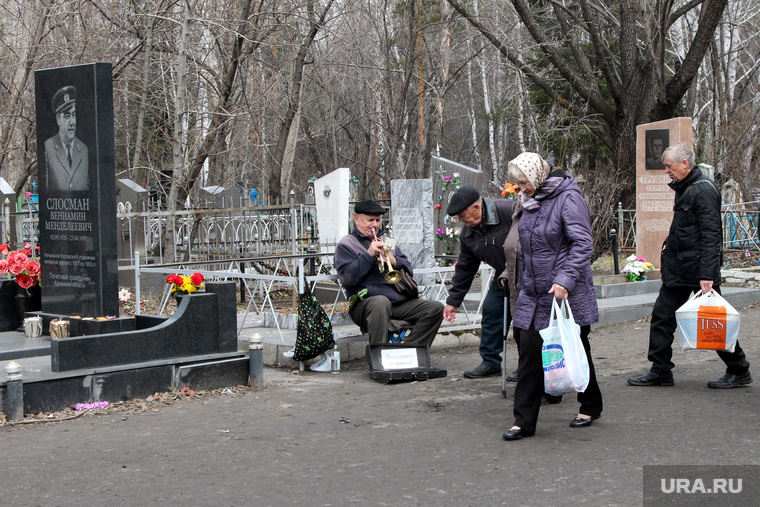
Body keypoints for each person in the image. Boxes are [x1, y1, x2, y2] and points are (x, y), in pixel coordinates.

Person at [628, 142, 751, 388]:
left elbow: (711, 235)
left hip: (697, 272)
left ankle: (739, 369)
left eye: (669, 166)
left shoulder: (702, 190)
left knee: (713, 321)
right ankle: (661, 370)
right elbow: (687, 229)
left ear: (685, 164)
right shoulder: (685, 188)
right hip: (681, 268)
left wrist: (707, 273)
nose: (666, 171)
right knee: (662, 317)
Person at [502, 152, 603, 441]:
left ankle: (590, 404)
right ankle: (523, 422)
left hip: (563, 291)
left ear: (536, 176)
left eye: (523, 183)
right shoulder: (531, 201)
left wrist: (565, 280)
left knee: (575, 348)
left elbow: (582, 244)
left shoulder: (568, 197)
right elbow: (523, 244)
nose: (519, 189)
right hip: (533, 291)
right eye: (516, 184)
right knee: (528, 351)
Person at [335, 199, 444, 347]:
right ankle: (379, 357)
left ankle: (410, 351)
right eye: (370, 220)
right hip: (366, 305)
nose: (374, 224)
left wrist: (394, 261)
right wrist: (368, 256)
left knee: (435, 308)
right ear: (356, 219)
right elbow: (348, 279)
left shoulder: (387, 241)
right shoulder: (346, 244)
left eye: (377, 220)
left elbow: (409, 268)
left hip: (397, 303)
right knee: (381, 302)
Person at [442, 186, 518, 378]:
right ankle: (490, 361)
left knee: (525, 322)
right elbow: (466, 268)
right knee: (492, 311)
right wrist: (453, 302)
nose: (460, 220)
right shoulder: (468, 233)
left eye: (462, 215)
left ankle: (528, 366)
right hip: (502, 276)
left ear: (476, 207)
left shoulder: (509, 211)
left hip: (527, 274)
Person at [44, 85, 89, 192]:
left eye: (74, 115)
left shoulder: (83, 149)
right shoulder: (48, 147)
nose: (72, 122)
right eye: (67, 116)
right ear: (58, 119)